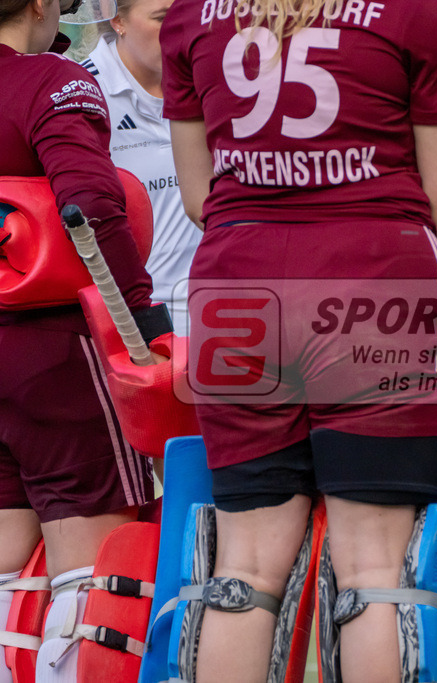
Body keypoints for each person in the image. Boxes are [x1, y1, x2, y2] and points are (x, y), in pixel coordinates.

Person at [159, 0, 437, 678]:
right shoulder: (415, 14)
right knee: (375, 568)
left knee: (242, 566)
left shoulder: (190, 16)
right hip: (371, 275)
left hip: (238, 284)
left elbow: (198, 195)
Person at [0, 0, 171, 679]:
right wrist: (143, 323)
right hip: (54, 353)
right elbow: (91, 205)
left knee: (9, 582)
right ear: (42, 6)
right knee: (97, 580)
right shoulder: (46, 77)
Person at [81, 0, 201, 333]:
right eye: (163, 18)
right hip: (140, 323)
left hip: (228, 305)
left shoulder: (216, 80)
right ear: (117, 19)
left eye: (188, 16)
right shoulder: (82, 94)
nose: (182, 31)